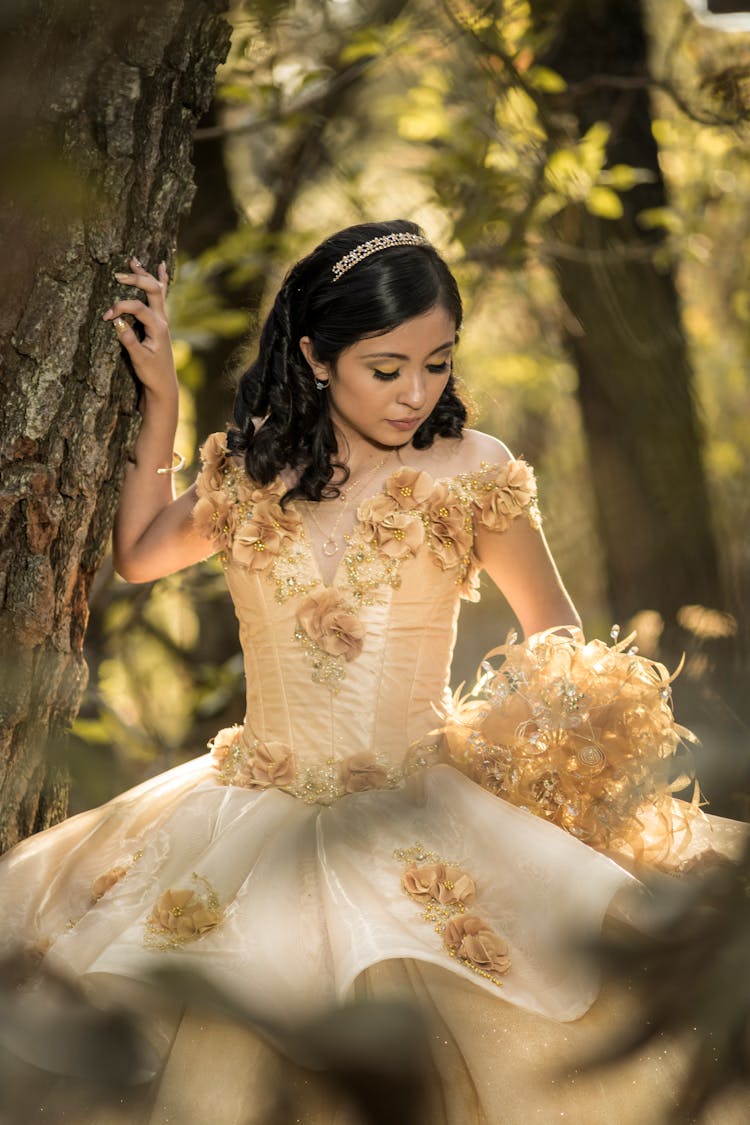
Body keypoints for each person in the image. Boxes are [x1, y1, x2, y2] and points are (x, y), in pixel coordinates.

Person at [0, 219, 747, 1124]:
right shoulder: (249, 472)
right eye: (387, 369)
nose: (416, 393)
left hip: (420, 798)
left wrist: (537, 741)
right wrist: (159, 402)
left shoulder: (475, 471)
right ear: (317, 356)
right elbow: (142, 553)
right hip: (245, 808)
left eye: (438, 363)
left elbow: (555, 625)